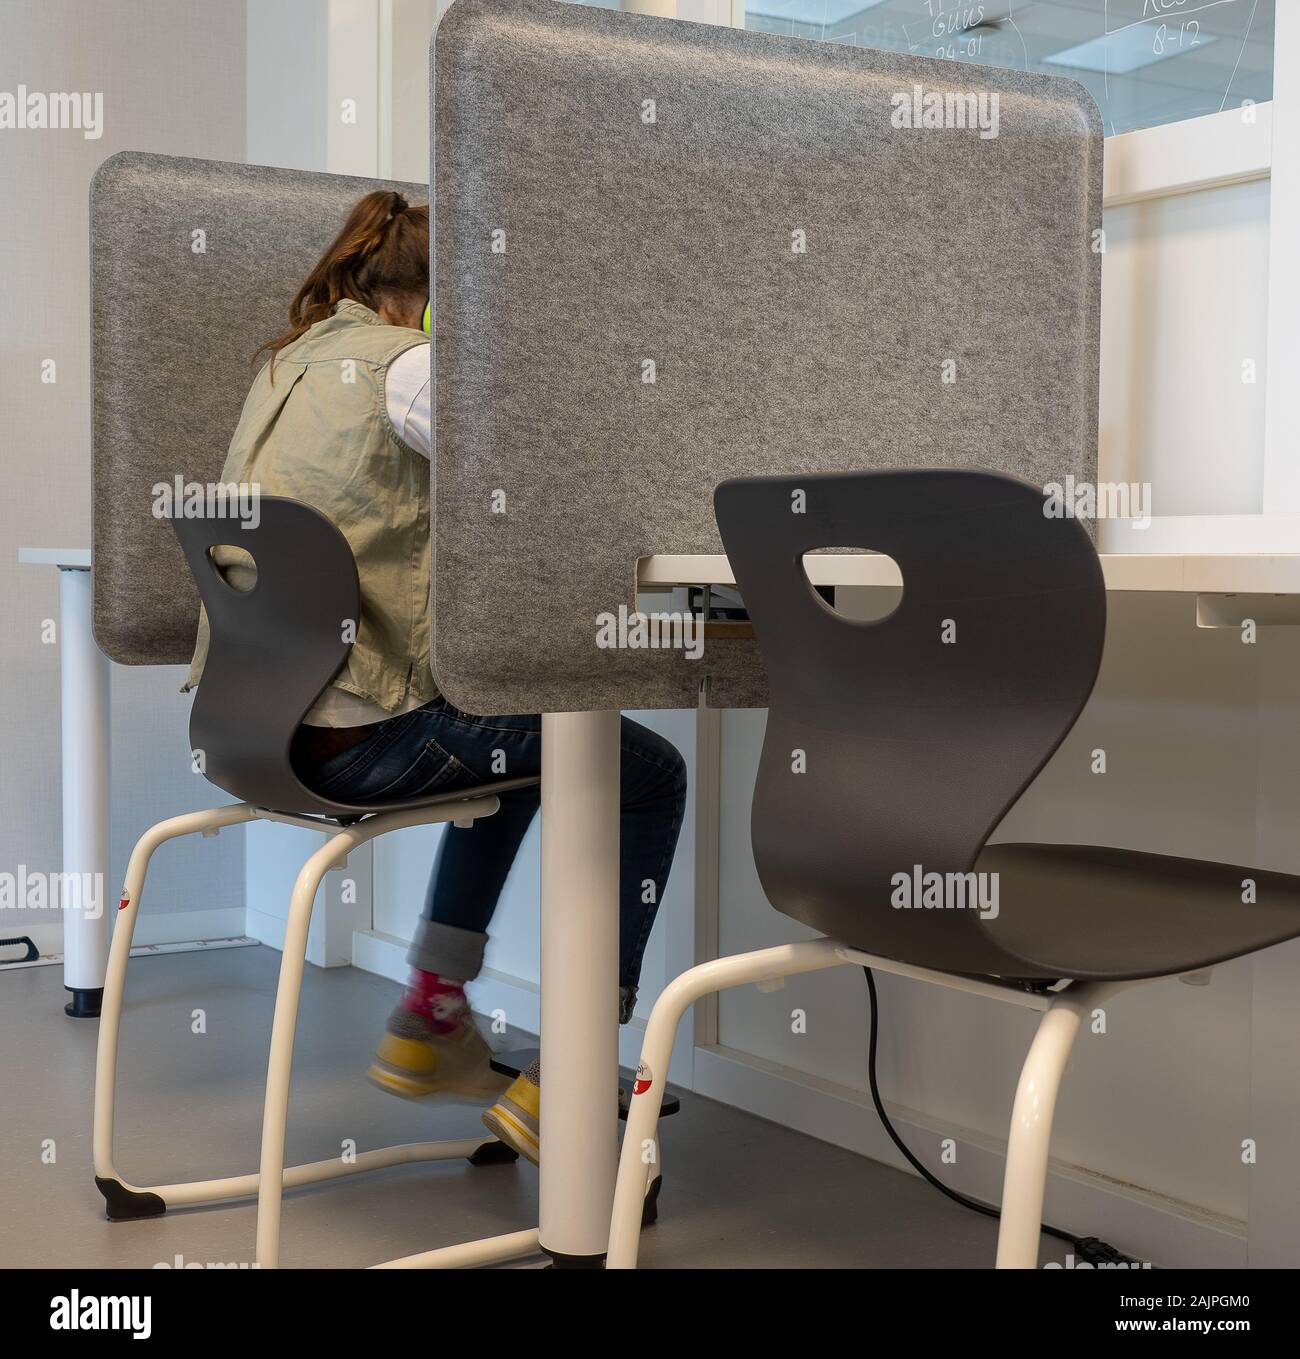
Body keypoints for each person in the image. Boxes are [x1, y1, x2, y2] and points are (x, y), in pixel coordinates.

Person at [183, 190, 688, 1164]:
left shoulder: (288, 365)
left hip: (254, 734)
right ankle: (577, 1070)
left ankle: (431, 1012)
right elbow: (546, 484)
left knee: (514, 741)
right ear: (439, 301)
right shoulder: (412, 367)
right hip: (364, 738)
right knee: (646, 772)